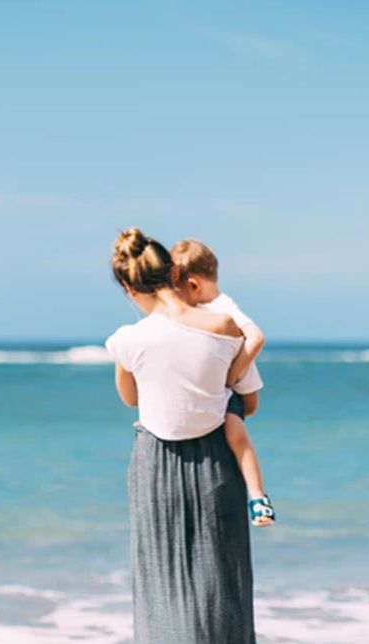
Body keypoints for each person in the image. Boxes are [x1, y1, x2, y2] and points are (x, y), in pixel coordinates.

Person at [105, 227, 258, 643]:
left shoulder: (127, 340)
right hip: (216, 461)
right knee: (222, 581)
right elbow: (251, 401)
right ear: (173, 269)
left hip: (155, 465)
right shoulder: (225, 326)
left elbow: (130, 398)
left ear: (128, 287)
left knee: (161, 580)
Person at [171, 238, 275, 526]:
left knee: (235, 434)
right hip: (214, 385)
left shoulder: (222, 306)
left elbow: (256, 337)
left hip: (230, 388)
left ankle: (258, 498)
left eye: (176, 291)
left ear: (193, 285)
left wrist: (234, 372)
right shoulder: (202, 307)